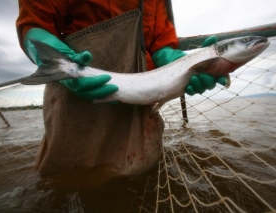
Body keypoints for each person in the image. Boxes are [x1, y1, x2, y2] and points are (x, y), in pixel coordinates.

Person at [16, 0, 227, 179]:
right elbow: (35, 23)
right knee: (69, 180)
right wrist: (67, 67)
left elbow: (159, 43)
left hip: (138, 108)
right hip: (75, 103)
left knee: (139, 179)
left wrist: (178, 63)